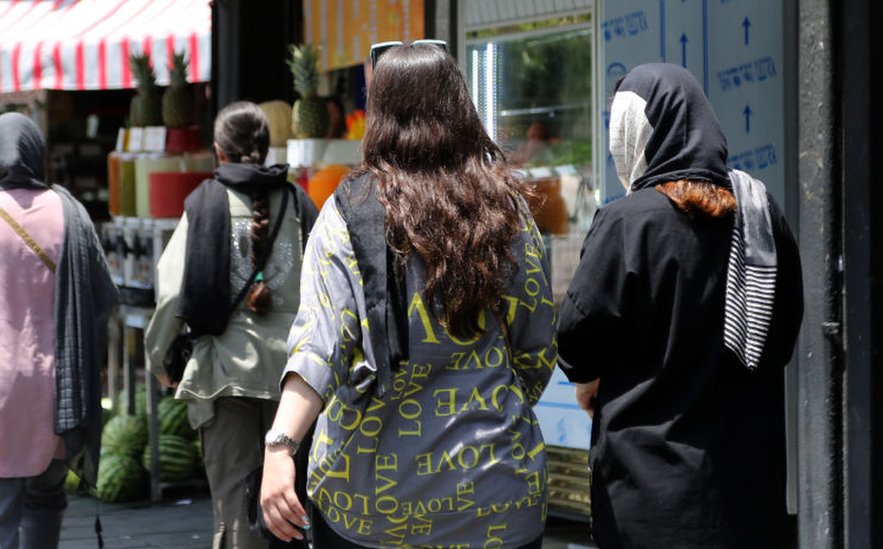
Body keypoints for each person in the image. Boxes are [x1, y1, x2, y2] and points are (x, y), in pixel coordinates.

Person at [259, 41, 557, 548]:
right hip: (498, 496)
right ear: (460, 105)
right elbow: (537, 348)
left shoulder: (346, 212)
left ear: (380, 113)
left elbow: (318, 345)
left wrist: (281, 445)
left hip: (372, 505)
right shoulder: (505, 208)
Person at [556, 63, 804, 548]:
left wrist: (589, 383)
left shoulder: (627, 223)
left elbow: (577, 340)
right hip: (747, 492)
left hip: (646, 498)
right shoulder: (761, 213)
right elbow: (784, 330)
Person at [145, 101, 318, 548]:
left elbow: (170, 296)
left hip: (225, 377)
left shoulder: (206, 203)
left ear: (219, 152)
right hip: (297, 382)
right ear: (266, 148)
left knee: (237, 514)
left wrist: (160, 359)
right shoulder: (299, 202)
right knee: (295, 511)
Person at [0, 112, 118, 548]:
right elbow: (103, 297)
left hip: (2, 395)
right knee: (46, 499)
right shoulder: (71, 211)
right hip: (58, 394)